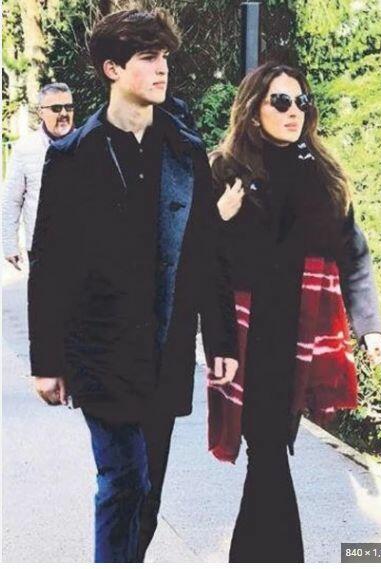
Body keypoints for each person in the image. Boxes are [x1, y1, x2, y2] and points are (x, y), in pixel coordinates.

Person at [28, 9, 238, 564]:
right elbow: (50, 265)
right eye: (148, 57)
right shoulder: (73, 156)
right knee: (123, 479)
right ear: (112, 68)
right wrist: (46, 361)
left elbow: (207, 252)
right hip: (98, 351)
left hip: (166, 349)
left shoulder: (184, 151)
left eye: (165, 56)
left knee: (148, 495)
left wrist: (221, 342)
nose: (162, 68)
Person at [209, 62, 381, 563]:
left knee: (268, 455)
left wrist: (369, 327)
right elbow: (196, 257)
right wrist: (215, 218)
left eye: (301, 102)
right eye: (281, 102)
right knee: (267, 453)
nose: (295, 112)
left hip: (302, 338)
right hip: (247, 338)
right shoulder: (225, 171)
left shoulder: (322, 175)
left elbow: (353, 253)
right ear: (253, 111)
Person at [2, 83, 74, 269]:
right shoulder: (25, 149)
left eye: (69, 107)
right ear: (41, 112)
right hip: (42, 249)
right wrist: (10, 245)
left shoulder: (88, 144)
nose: (64, 113)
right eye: (56, 108)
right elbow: (11, 200)